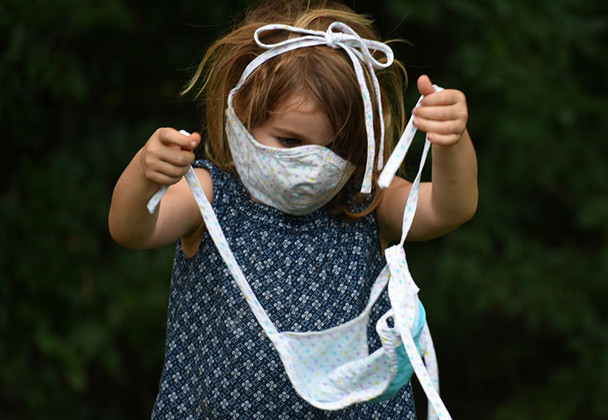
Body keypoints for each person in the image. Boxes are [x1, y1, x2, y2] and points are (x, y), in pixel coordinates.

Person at [108, 0, 477, 418]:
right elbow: (131, 229)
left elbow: (451, 207)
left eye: (337, 147)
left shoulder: (365, 202)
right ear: (240, 116)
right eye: (290, 141)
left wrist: (452, 142)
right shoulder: (211, 195)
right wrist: (145, 173)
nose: (316, 162)